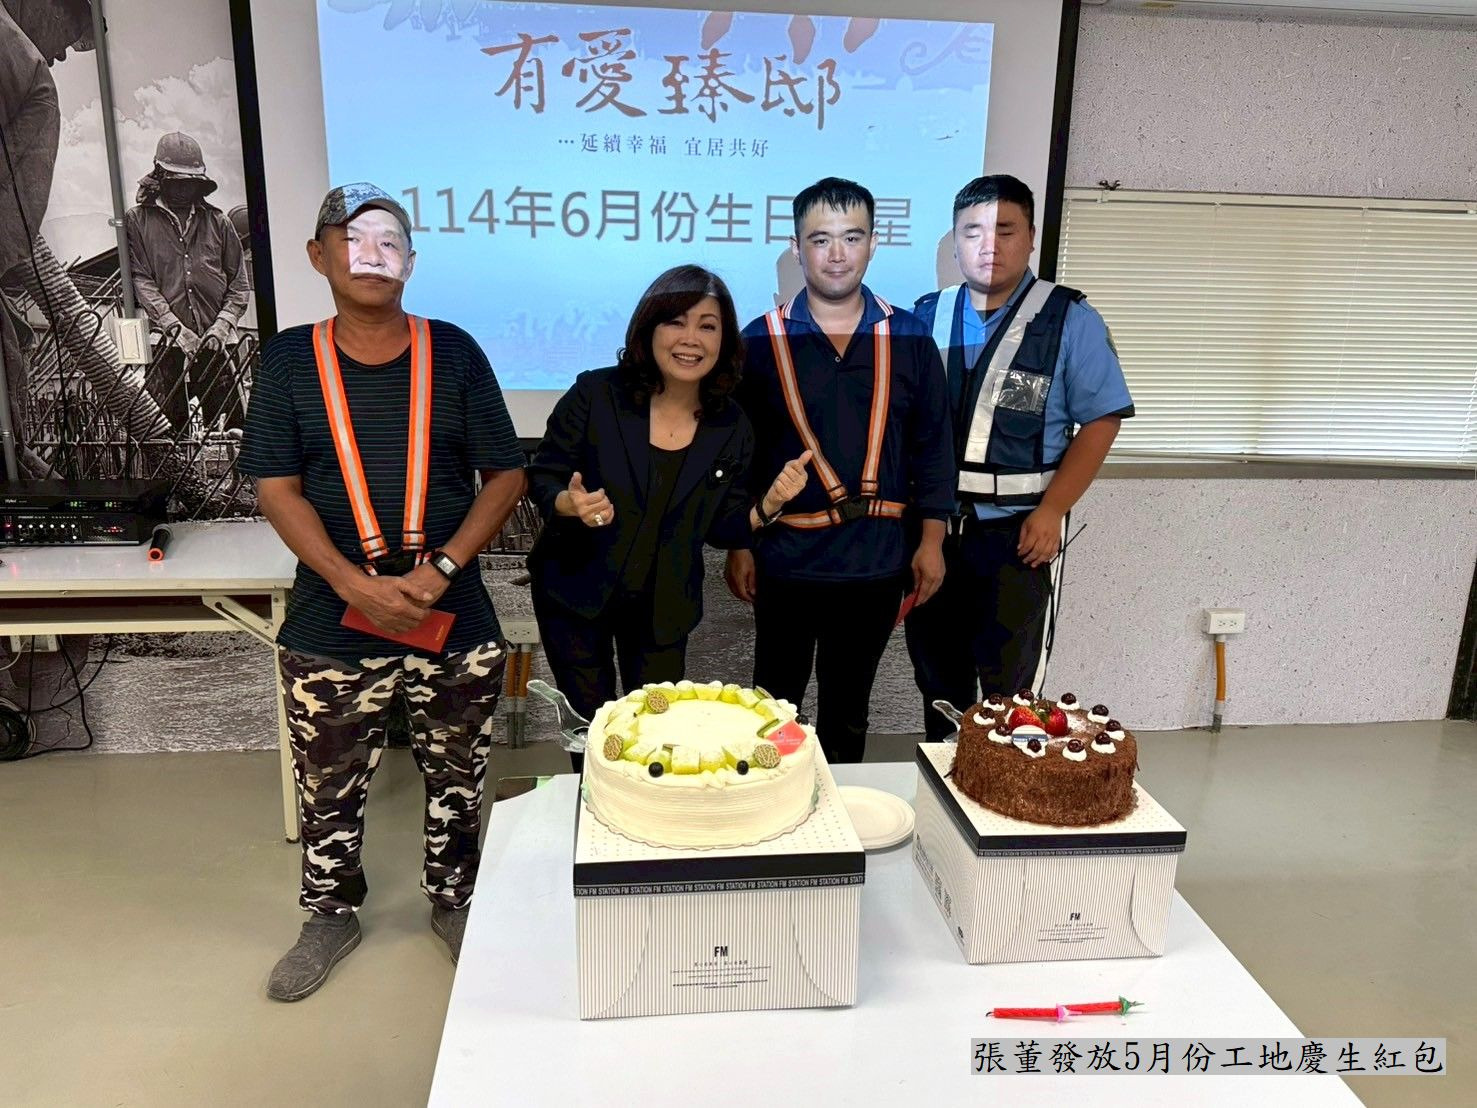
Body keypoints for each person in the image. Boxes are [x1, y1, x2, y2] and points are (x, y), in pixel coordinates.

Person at [238, 182, 527, 1000]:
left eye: (389, 241)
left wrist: (441, 570)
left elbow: (506, 474)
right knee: (326, 781)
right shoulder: (290, 359)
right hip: (333, 616)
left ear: (411, 261)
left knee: (459, 774)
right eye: (353, 238)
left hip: (450, 610)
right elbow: (276, 487)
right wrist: (351, 582)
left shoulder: (454, 352)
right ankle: (329, 915)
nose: (372, 254)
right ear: (317, 255)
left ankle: (455, 900)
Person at [526, 265, 811, 765]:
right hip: (574, 594)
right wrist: (568, 504)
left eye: (707, 326)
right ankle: (594, 805)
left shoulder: (731, 424)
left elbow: (722, 527)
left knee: (655, 732)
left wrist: (768, 506)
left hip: (663, 607)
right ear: (649, 328)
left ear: (724, 340)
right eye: (676, 322)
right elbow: (544, 474)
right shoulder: (597, 393)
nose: (690, 339)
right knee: (590, 735)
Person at [725, 177, 954, 765]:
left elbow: (933, 445)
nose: (836, 254)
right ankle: (772, 806)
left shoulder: (909, 335)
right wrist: (740, 544)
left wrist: (932, 541)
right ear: (796, 248)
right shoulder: (759, 340)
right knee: (773, 706)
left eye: (851, 237)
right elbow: (740, 456)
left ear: (873, 243)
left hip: (875, 561)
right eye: (820, 239)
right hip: (785, 559)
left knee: (848, 707)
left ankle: (838, 811)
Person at [907, 174, 1134, 739]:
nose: (989, 245)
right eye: (973, 232)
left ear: (1031, 237)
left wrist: (1053, 509)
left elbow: (1102, 419)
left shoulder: (1069, 318)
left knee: (1009, 695)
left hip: (1016, 537)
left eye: (1005, 230)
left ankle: (1003, 783)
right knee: (937, 686)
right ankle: (946, 781)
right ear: (955, 241)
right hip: (931, 532)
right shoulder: (925, 316)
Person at [125, 131, 251, 434]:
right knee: (164, 432)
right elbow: (141, 279)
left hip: (217, 342)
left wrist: (221, 326)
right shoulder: (138, 221)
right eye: (177, 181)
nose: (184, 189)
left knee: (230, 433)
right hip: (166, 342)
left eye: (190, 182)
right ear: (161, 177)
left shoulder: (218, 222)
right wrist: (175, 327)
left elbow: (238, 285)